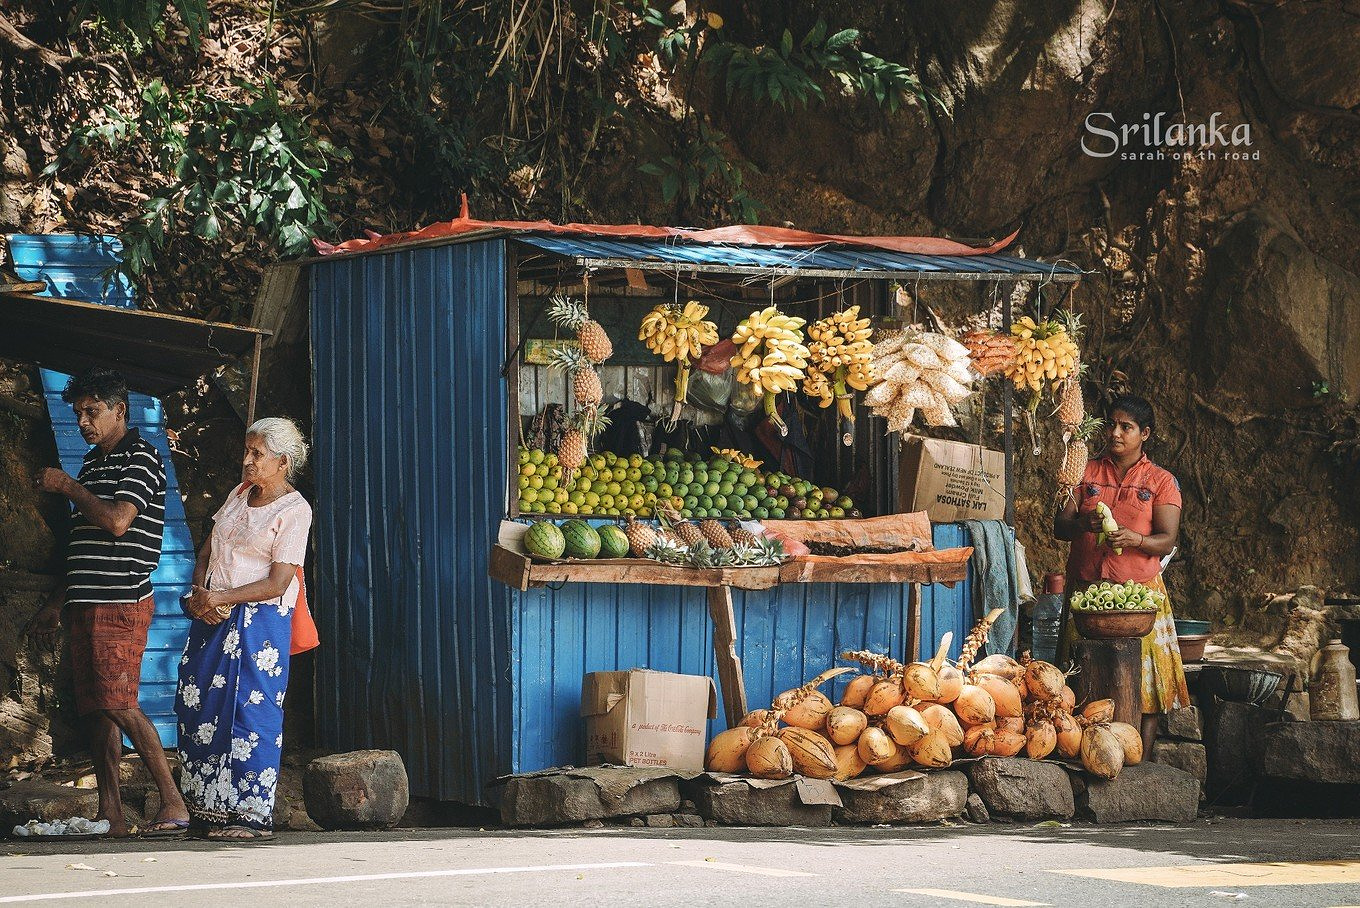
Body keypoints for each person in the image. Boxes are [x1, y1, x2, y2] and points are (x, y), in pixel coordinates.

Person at [25, 368, 190, 837]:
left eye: (91, 412)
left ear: (119, 410)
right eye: (77, 413)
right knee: (98, 711)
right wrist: (59, 602)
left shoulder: (142, 458)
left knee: (118, 702)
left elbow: (117, 522)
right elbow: (83, 544)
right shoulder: (95, 464)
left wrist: (67, 488)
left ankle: (173, 802)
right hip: (87, 602)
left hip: (120, 602)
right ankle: (111, 814)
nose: (82, 422)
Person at [176, 417, 312, 841]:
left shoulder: (294, 510)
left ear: (282, 462)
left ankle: (251, 816)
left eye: (257, 455)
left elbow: (278, 582)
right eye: (247, 451)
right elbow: (209, 548)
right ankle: (206, 808)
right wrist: (201, 593)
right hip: (212, 613)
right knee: (199, 703)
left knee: (251, 710)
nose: (246, 461)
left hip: (258, 622)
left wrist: (219, 599)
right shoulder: (238, 495)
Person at [1053, 394, 1190, 758]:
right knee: (1080, 676)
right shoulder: (1083, 470)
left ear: (1144, 434)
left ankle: (1139, 758)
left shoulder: (1161, 480)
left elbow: (1168, 539)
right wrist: (1083, 522)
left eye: (1126, 427)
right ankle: (1088, 754)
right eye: (1112, 424)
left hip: (1140, 595)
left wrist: (1136, 539)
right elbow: (1060, 527)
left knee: (1146, 681)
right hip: (1088, 591)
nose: (1115, 433)